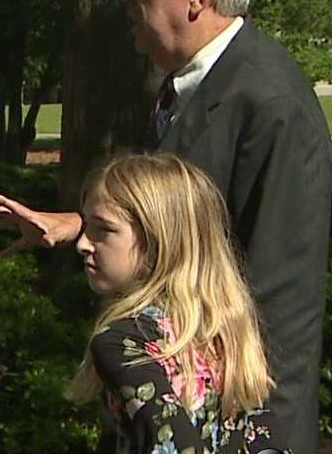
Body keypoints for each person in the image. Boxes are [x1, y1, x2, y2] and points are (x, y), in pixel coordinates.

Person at [0, 0, 332, 452]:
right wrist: (80, 224)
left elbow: (281, 307)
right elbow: (175, 219)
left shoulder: (271, 104)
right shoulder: (188, 87)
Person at [69, 153, 289, 453]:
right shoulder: (221, 328)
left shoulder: (123, 341)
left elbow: (172, 444)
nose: (82, 243)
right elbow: (265, 438)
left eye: (102, 229)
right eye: (84, 227)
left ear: (157, 240)